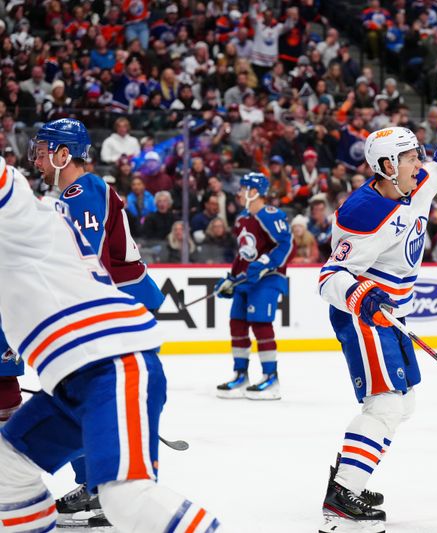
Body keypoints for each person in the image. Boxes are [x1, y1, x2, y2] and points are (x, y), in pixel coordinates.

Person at [0, 155, 222, 532]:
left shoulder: (22, 216)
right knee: (8, 471)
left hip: (111, 363)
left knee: (125, 498)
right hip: (76, 377)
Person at [317, 92, 437, 532]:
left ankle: (346, 477)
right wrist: (363, 298)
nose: (419, 162)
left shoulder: (418, 181)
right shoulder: (364, 211)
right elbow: (329, 276)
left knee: (403, 403)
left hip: (393, 314)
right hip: (365, 313)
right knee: (386, 403)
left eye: (417, 154)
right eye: (411, 157)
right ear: (387, 166)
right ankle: (341, 499)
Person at [29, 118, 166, 525]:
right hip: (113, 306)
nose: (35, 159)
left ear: (63, 154)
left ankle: (116, 491)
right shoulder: (74, 193)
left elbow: (87, 264)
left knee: (92, 400)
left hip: (120, 308)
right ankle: (97, 487)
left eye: (42, 151)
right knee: (84, 399)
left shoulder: (83, 191)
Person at [214, 173, 294, 400]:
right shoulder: (241, 219)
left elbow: (287, 245)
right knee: (237, 322)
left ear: (254, 192)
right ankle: (241, 375)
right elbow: (243, 255)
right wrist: (231, 277)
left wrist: (266, 262)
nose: (239, 193)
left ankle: (271, 377)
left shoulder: (270, 215)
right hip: (246, 281)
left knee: (260, 322)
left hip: (268, 278)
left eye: (243, 188)